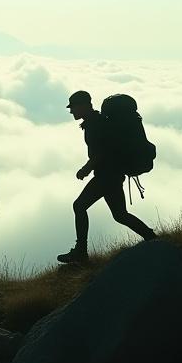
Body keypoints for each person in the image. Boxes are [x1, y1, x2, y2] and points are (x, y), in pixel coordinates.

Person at [57, 91, 156, 263]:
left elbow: (102, 152)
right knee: (120, 214)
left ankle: (81, 252)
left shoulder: (95, 124)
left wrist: (86, 169)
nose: (71, 111)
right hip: (113, 175)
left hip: (107, 175)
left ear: (83, 105)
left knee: (79, 206)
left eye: (73, 107)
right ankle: (152, 238)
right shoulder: (96, 122)